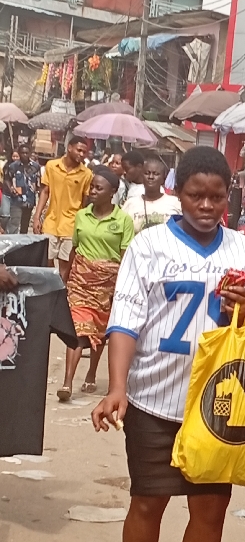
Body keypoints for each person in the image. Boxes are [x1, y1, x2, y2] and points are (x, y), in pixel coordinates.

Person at [91, 147, 245, 542]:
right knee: (148, 503)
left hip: (217, 406)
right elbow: (125, 320)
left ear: (228, 196)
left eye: (216, 196)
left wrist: (243, 304)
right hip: (153, 400)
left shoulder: (243, 249)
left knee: (209, 511)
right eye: (195, 195)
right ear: (177, 193)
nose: (206, 206)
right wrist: (116, 387)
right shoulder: (148, 246)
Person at [57, 168, 134, 401]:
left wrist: (122, 287)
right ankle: (67, 383)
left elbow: (125, 257)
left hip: (107, 285)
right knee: (78, 329)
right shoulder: (82, 216)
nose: (93, 191)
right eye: (92, 187)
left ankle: (91, 373)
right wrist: (64, 277)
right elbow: (75, 248)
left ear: (112, 192)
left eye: (99, 188)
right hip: (80, 281)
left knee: (99, 331)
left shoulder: (123, 221)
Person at [33, 134, 92, 282]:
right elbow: (45, 192)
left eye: (84, 152)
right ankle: (51, 284)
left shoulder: (86, 174)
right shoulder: (52, 166)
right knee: (46, 258)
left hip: (71, 224)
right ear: (69, 148)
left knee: (65, 262)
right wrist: (37, 217)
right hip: (51, 221)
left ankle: (60, 288)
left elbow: (85, 202)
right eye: (79, 150)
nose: (81, 154)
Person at [122, 154, 181, 234]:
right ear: (142, 176)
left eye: (156, 174)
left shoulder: (176, 203)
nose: (151, 177)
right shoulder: (130, 204)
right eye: (147, 173)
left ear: (163, 178)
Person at [7, 143, 42, 234]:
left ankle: (22, 242)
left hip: (29, 200)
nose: (25, 155)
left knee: (25, 226)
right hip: (17, 199)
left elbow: (39, 182)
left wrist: (39, 196)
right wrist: (11, 189)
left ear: (30, 153)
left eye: (26, 153)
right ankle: (12, 241)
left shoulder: (35, 167)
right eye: (22, 153)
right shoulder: (13, 166)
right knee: (14, 224)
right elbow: (7, 179)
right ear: (19, 153)